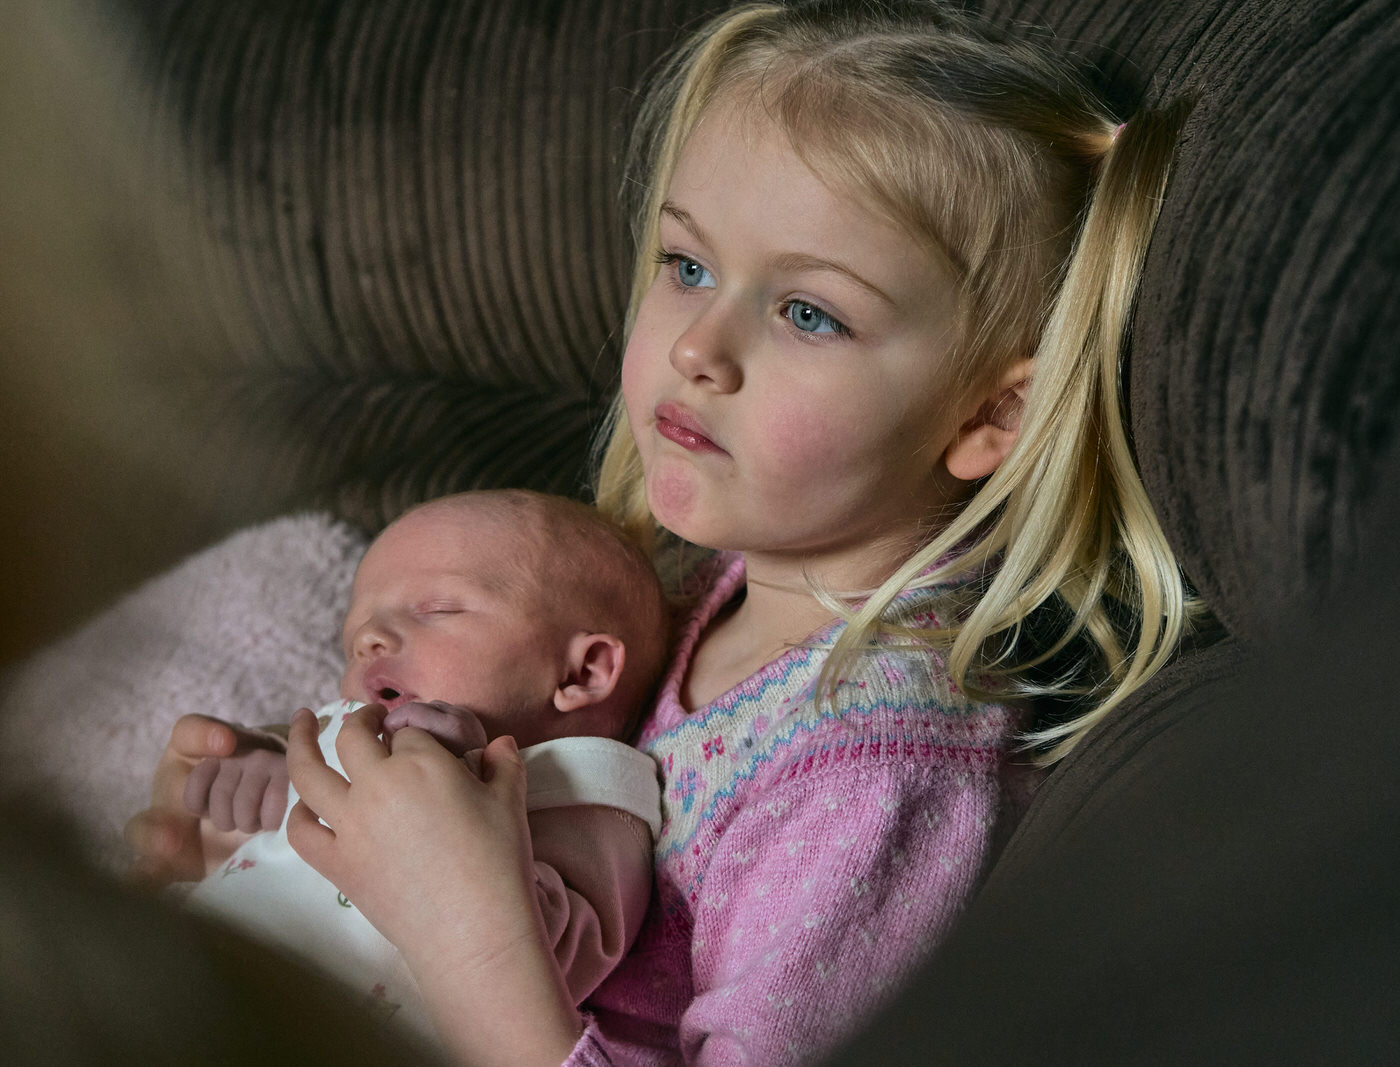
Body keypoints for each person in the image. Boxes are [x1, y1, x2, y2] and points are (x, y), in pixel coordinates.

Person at [131, 2, 1198, 1064]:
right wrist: (284, 819)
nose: (698, 346)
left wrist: (461, 923)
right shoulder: (726, 587)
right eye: (687, 265)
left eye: (808, 312)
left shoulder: (873, 773)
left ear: (986, 417)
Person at [145, 489, 671, 1048]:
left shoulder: (589, 786)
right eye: (353, 641)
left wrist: (455, 775)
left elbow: (547, 964)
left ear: (582, 672)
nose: (370, 640)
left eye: (437, 610)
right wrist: (264, 776)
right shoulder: (358, 726)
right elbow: (295, 833)